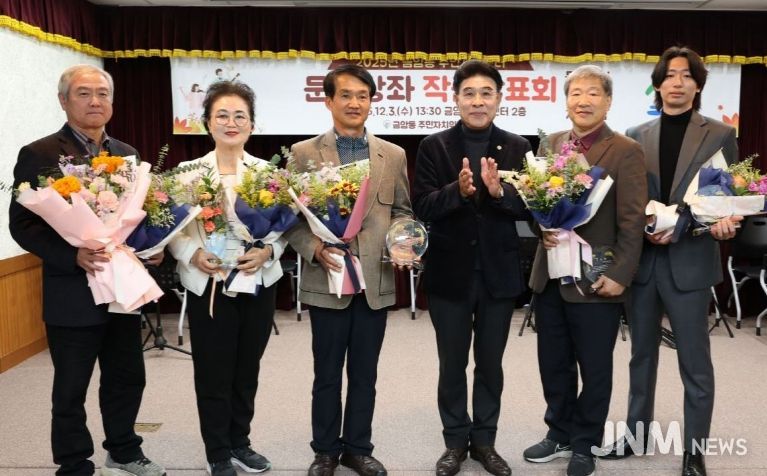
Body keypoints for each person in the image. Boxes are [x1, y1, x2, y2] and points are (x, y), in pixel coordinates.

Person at [8, 64, 166, 476]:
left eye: (102, 93)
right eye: (83, 93)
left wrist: (151, 249)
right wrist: (71, 254)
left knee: (127, 376)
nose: (95, 101)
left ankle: (124, 450)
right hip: (72, 291)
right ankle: (74, 462)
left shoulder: (128, 154)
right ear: (63, 100)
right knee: (71, 386)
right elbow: (23, 225)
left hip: (121, 289)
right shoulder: (40, 153)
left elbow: (138, 218)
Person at [601, 46, 741, 476]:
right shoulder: (635, 133)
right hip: (644, 261)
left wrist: (720, 221)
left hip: (691, 259)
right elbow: (628, 197)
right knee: (641, 355)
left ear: (698, 85)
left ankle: (694, 451)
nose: (677, 82)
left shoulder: (720, 133)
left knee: (694, 362)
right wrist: (644, 224)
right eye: (670, 75)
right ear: (658, 84)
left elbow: (724, 194)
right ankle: (636, 434)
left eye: (686, 75)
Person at [284, 64, 412, 476]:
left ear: (371, 101)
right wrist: (313, 248)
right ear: (329, 101)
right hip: (328, 278)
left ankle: (358, 448)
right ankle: (325, 451)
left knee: (365, 374)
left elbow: (403, 212)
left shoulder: (393, 155)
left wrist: (403, 242)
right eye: (346, 95)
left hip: (374, 279)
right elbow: (289, 219)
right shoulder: (303, 154)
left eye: (363, 95)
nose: (355, 103)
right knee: (326, 373)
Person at [522, 65, 647, 476]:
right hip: (551, 276)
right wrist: (542, 228)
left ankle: (584, 442)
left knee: (594, 367)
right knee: (553, 362)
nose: (584, 100)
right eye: (576, 93)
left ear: (608, 102)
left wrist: (621, 274)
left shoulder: (625, 150)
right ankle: (558, 432)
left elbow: (632, 220)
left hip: (597, 278)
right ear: (566, 102)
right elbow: (538, 203)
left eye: (593, 93)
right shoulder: (551, 144)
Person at [412, 60, 532, 476]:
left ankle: (484, 442)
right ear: (456, 99)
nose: (478, 101)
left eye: (486, 93)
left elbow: (531, 208)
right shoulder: (434, 146)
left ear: (499, 99)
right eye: (469, 93)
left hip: (498, 273)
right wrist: (457, 191)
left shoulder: (518, 146)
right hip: (450, 273)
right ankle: (454, 443)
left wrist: (499, 194)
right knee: (452, 364)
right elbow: (422, 206)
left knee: (490, 364)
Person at [167, 80, 286, 476]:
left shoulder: (268, 172)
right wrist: (192, 253)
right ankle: (217, 451)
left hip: (256, 283)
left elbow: (284, 230)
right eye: (222, 115)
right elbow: (173, 231)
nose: (231, 123)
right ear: (207, 123)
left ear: (252, 124)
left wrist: (268, 251)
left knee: (247, 370)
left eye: (240, 116)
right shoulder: (188, 173)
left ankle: (240, 442)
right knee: (213, 371)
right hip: (211, 286)